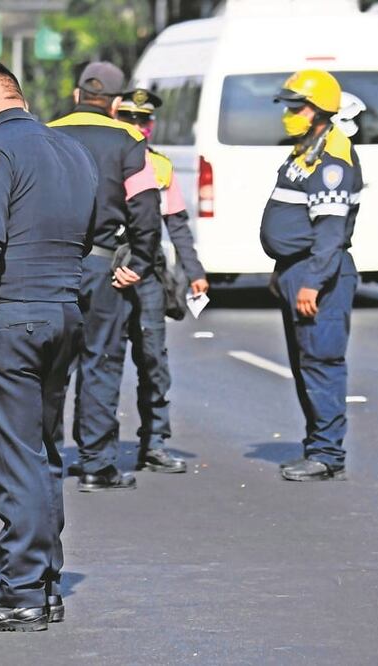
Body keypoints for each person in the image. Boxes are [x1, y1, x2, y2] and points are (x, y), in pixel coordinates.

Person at [0, 62, 97, 632]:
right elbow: (92, 232)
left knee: (13, 458)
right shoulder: (72, 152)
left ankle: (22, 592)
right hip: (63, 317)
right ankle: (46, 582)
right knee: (42, 451)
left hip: (12, 320)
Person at [48, 61, 165, 491]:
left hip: (49, 267)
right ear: (116, 104)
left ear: (78, 95)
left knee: (49, 367)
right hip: (103, 268)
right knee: (101, 360)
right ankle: (97, 463)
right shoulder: (130, 140)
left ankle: (45, 460)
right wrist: (139, 263)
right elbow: (146, 208)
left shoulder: (46, 133)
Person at [260, 70, 361, 482]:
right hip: (296, 269)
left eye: (296, 106)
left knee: (321, 362)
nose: (289, 113)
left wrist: (311, 282)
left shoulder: (332, 159)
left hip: (318, 274)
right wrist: (282, 270)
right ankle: (316, 445)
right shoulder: (307, 151)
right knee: (305, 365)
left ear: (319, 110)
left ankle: (326, 454)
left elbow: (330, 233)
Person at [112, 88, 210, 473]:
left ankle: (154, 442)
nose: (137, 126)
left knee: (153, 360)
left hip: (148, 274)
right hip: (110, 273)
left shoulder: (162, 168)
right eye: (130, 119)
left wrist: (195, 272)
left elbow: (178, 227)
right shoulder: (103, 160)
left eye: (143, 120)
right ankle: (97, 451)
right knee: (101, 361)